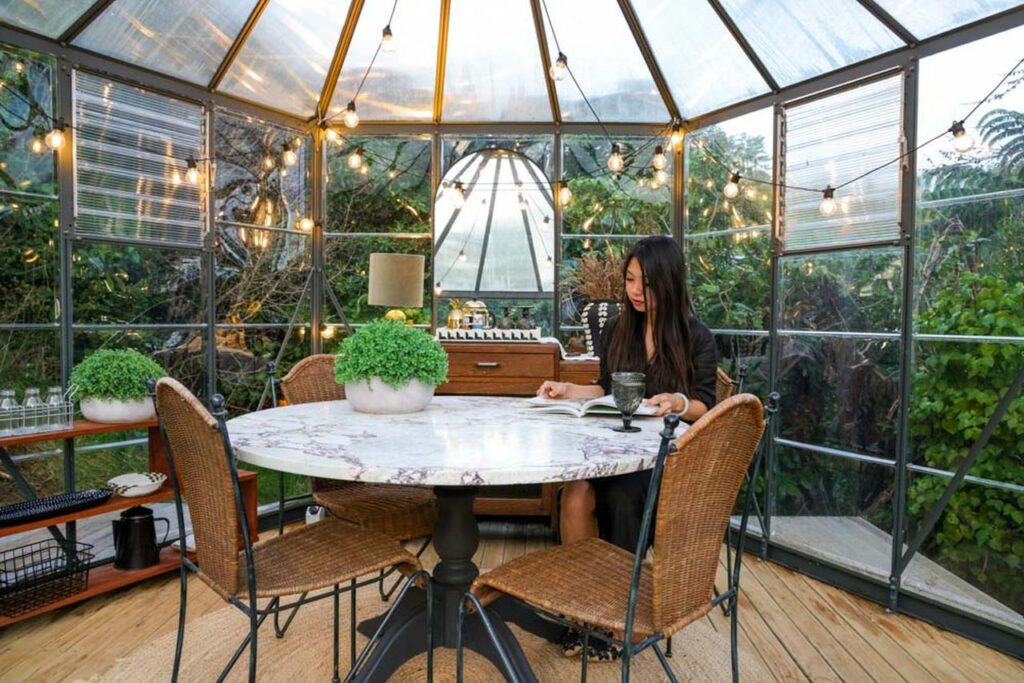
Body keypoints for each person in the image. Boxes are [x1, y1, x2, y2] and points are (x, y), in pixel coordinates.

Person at [537, 235, 718, 659]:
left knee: (619, 494)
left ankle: (619, 618)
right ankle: (584, 607)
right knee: (577, 492)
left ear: (670, 283)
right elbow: (604, 385)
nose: (635, 292)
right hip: (614, 449)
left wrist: (677, 401)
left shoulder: (697, 338)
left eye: (647, 283)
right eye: (631, 280)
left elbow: (707, 404)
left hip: (666, 463)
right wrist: (568, 389)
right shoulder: (621, 328)